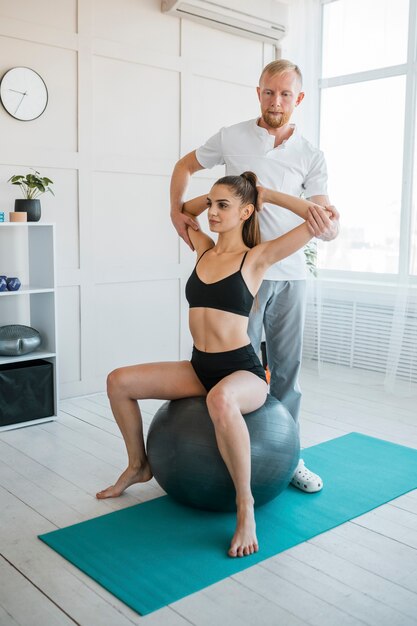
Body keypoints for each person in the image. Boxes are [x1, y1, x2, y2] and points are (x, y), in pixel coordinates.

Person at [96, 171, 331, 558]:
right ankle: (139, 465)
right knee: (118, 382)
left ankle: (245, 506)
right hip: (199, 365)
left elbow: (321, 217)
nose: (212, 212)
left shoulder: (256, 258)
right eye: (211, 204)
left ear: (246, 212)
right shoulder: (202, 247)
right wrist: (210, 197)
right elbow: (178, 213)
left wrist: (268, 194)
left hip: (242, 372)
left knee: (220, 401)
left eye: (223, 206)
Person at [170, 59, 340, 493]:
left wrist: (271, 195)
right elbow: (185, 167)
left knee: (286, 373)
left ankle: (290, 455)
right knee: (236, 371)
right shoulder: (232, 136)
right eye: (268, 91)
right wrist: (177, 209)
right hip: (241, 275)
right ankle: (232, 451)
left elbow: (328, 223)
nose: (275, 101)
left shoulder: (310, 155)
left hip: (290, 273)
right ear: (258, 91)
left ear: (299, 99)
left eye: (285, 94)